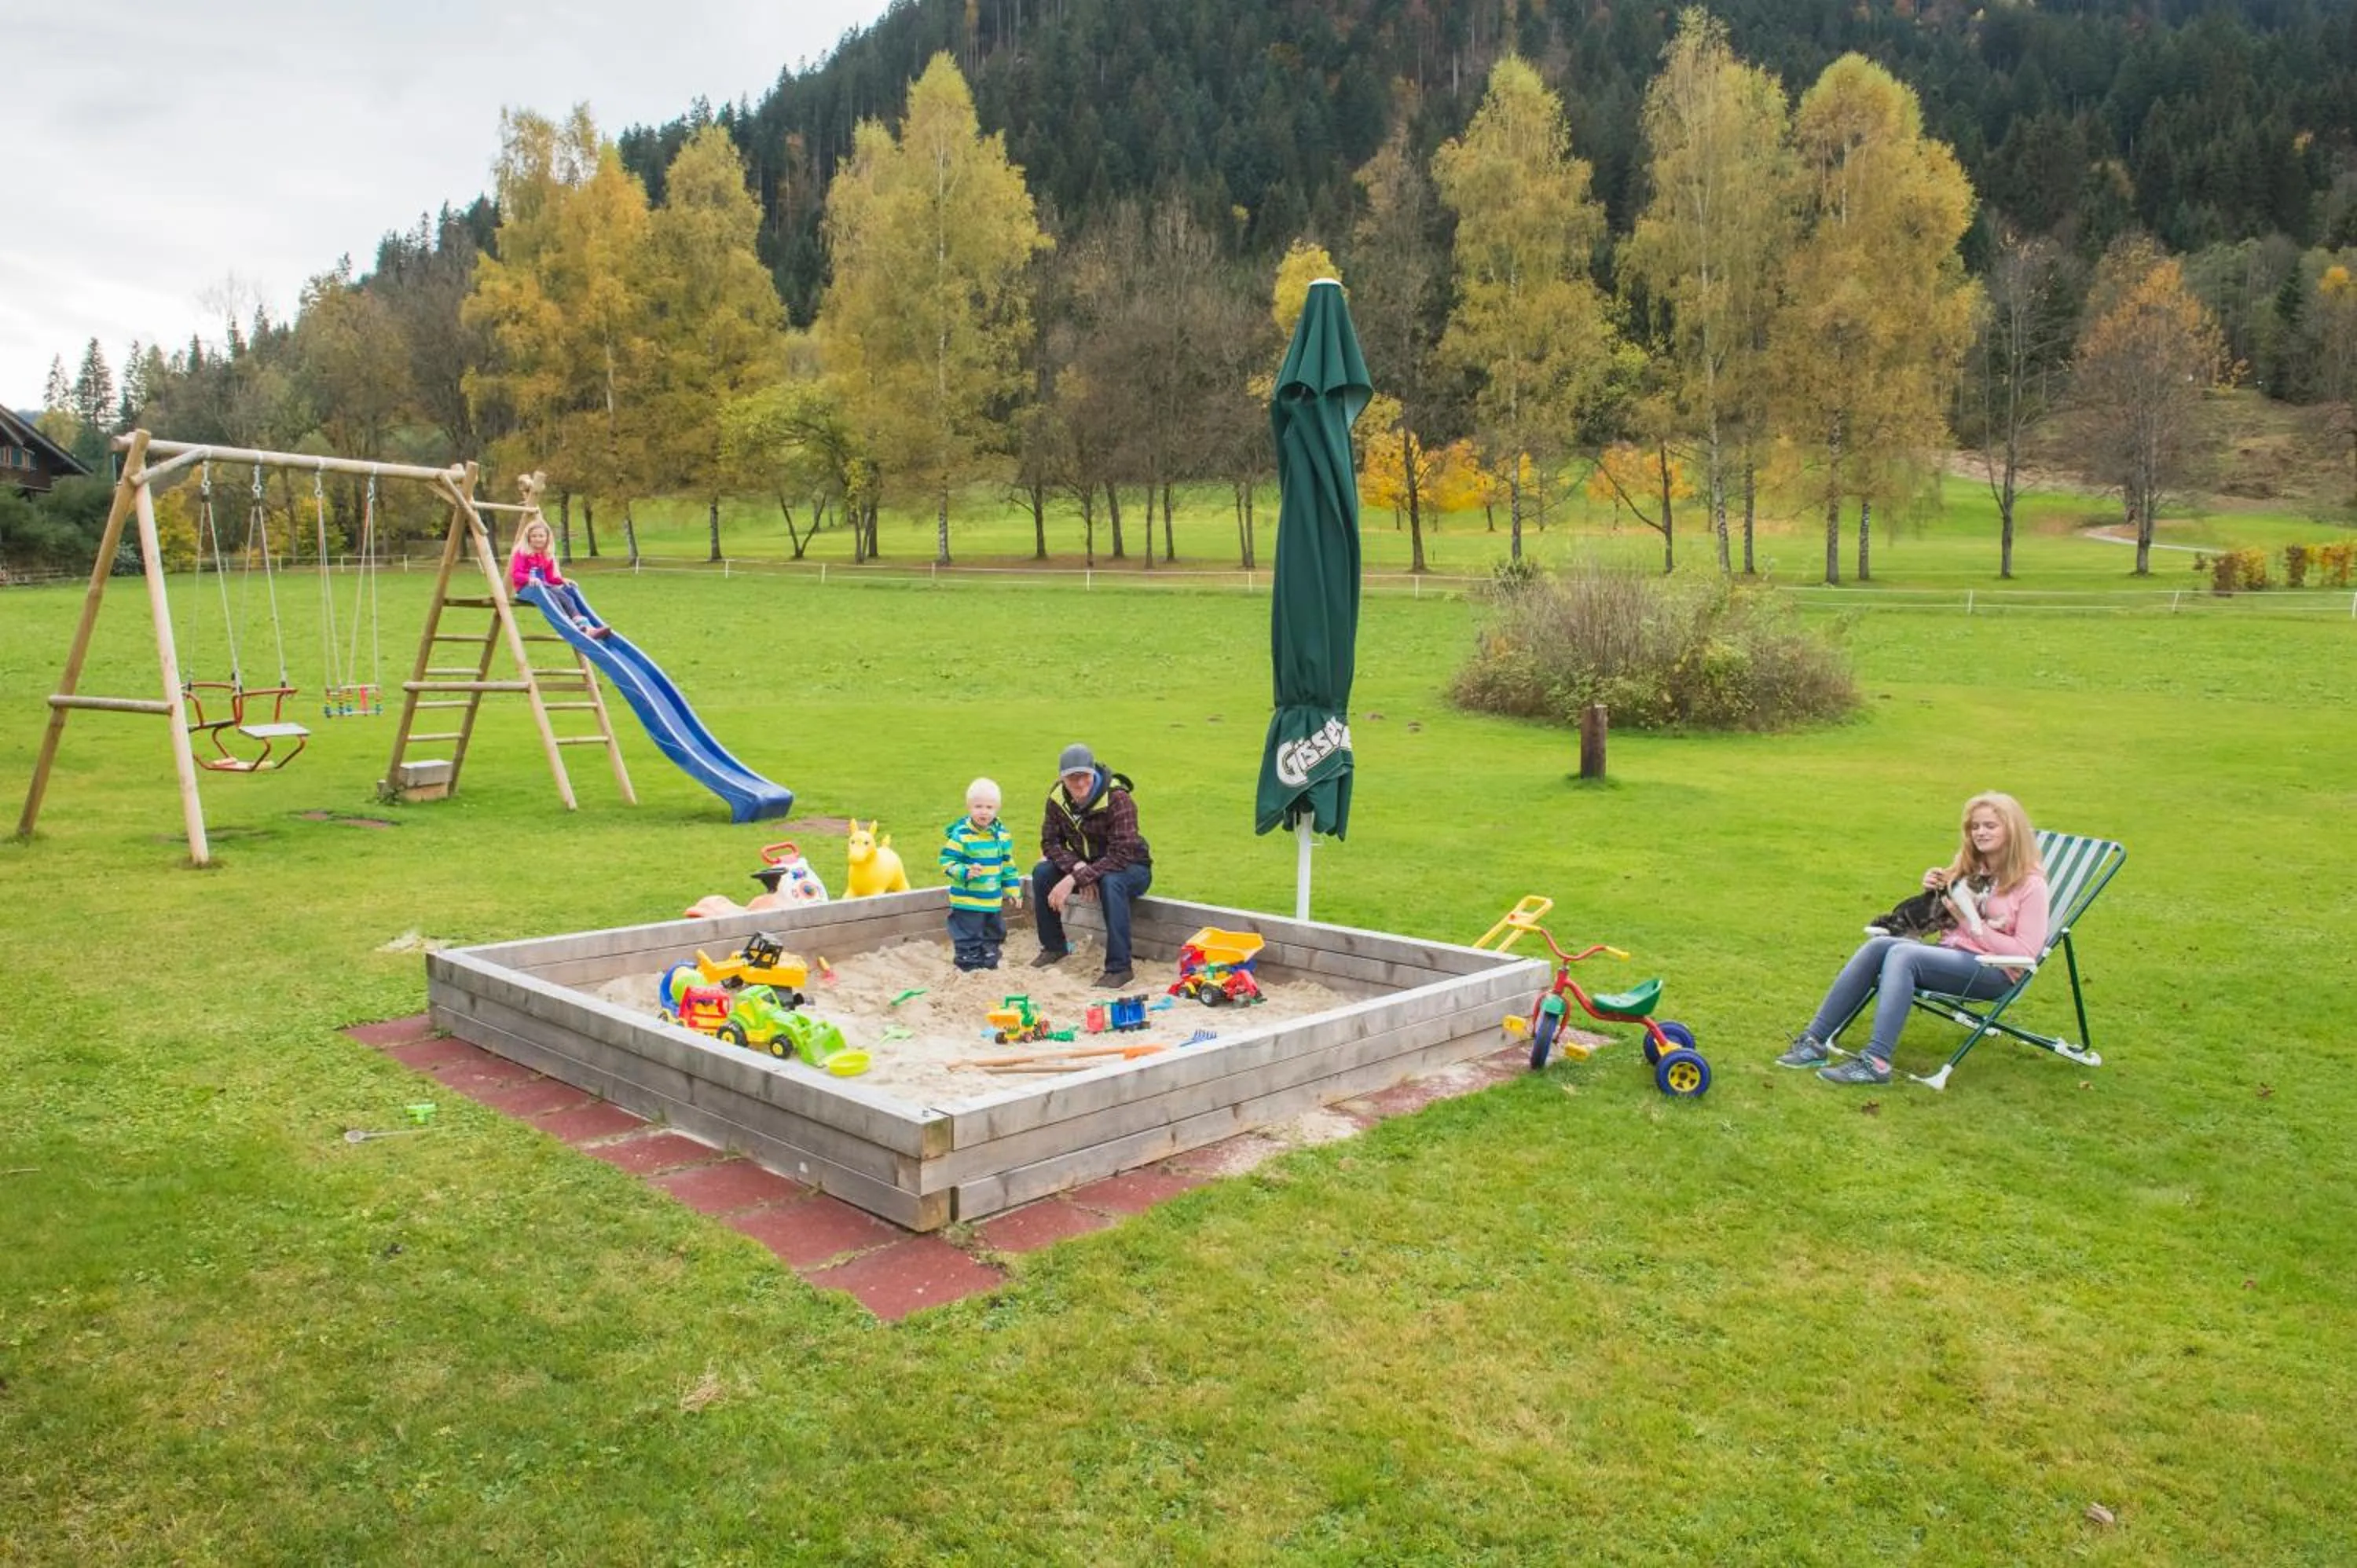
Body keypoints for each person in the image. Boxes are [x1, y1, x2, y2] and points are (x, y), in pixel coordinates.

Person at [1777, 792, 2051, 1086]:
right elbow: (1936, 913)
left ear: (2012, 830)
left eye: (1990, 826)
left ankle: (1876, 1062)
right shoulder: (1972, 868)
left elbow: (2025, 952)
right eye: (1975, 826)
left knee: (1903, 954)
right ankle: (1814, 1041)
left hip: (1993, 972)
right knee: (1879, 946)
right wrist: (1934, 886)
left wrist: (1969, 923)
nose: (1980, 833)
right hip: (1951, 957)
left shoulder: (2031, 885)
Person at [1030, 742, 1153, 988]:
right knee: (1042, 872)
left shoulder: (1118, 799)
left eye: (1084, 776)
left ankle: (1120, 968)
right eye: (1071, 778)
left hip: (1132, 868)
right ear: (1062, 778)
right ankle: (1054, 947)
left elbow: (1123, 853)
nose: (1079, 784)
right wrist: (1076, 868)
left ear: (1093, 773)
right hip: (1085, 866)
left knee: (1111, 882)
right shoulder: (1056, 798)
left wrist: (1078, 878)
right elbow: (1050, 842)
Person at [940, 778, 1019, 971]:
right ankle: (968, 966)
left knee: (993, 934)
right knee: (968, 936)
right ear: (969, 807)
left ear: (997, 808)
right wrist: (965, 872)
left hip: (992, 900)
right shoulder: (962, 836)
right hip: (968, 900)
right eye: (978, 806)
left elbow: (1007, 865)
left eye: (989, 807)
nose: (984, 811)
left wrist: (1014, 891)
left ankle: (989, 963)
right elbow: (946, 862)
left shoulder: (1002, 836)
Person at [507, 517, 607, 638]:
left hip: (543, 587)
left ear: (547, 538)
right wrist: (529, 579)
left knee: (563, 595)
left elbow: (550, 579)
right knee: (551, 596)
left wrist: (562, 580)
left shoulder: (547, 555)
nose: (538, 539)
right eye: (534, 536)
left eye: (541, 536)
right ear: (528, 539)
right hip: (526, 590)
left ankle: (583, 623)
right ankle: (566, 624)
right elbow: (516, 574)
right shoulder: (522, 553)